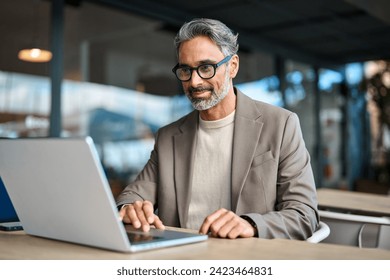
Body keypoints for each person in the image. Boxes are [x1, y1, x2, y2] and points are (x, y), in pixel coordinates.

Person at [116, 18, 319, 239]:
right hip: (181, 258)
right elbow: (133, 194)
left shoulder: (281, 125)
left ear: (232, 66)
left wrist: (251, 225)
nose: (194, 82)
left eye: (206, 68)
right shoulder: (168, 137)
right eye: (186, 70)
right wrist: (129, 207)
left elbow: (304, 214)